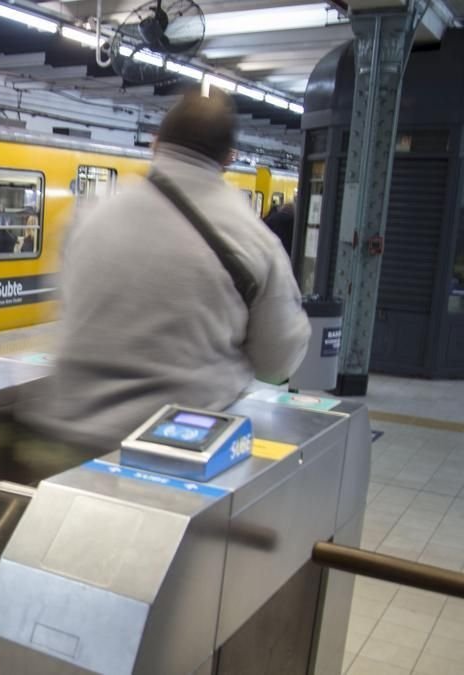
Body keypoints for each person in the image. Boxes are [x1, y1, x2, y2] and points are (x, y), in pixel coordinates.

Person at [26, 90, 310, 450]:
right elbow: (278, 361)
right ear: (228, 158)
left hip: (69, 436)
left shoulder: (90, 212)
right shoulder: (255, 238)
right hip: (179, 450)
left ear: (156, 143)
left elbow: (65, 311)